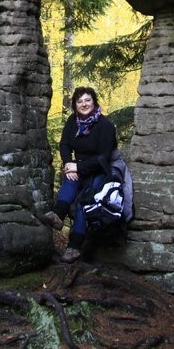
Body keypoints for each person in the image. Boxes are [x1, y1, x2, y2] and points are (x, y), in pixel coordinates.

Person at [39, 86, 117, 263]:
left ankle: (73, 247)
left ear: (94, 102)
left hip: (101, 170)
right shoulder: (73, 121)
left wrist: (78, 168)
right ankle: (58, 215)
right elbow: (64, 144)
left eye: (87, 100)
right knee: (70, 181)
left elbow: (103, 157)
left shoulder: (105, 126)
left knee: (84, 202)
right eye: (79, 101)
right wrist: (68, 163)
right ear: (75, 104)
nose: (84, 104)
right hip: (79, 167)